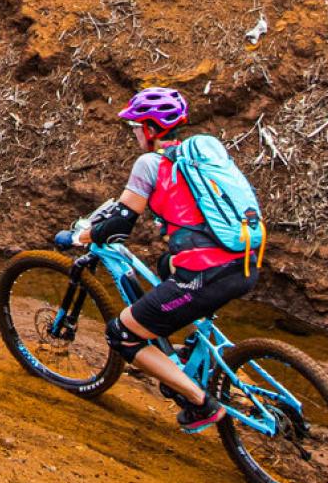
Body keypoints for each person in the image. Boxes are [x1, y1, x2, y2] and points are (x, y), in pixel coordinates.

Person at [72, 86, 261, 434]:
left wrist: (80, 236)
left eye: (136, 128)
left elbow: (119, 225)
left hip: (207, 273)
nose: (134, 135)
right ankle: (193, 348)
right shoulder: (201, 155)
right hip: (246, 262)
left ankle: (199, 403)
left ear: (151, 129)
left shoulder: (150, 163)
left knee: (122, 334)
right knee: (164, 267)